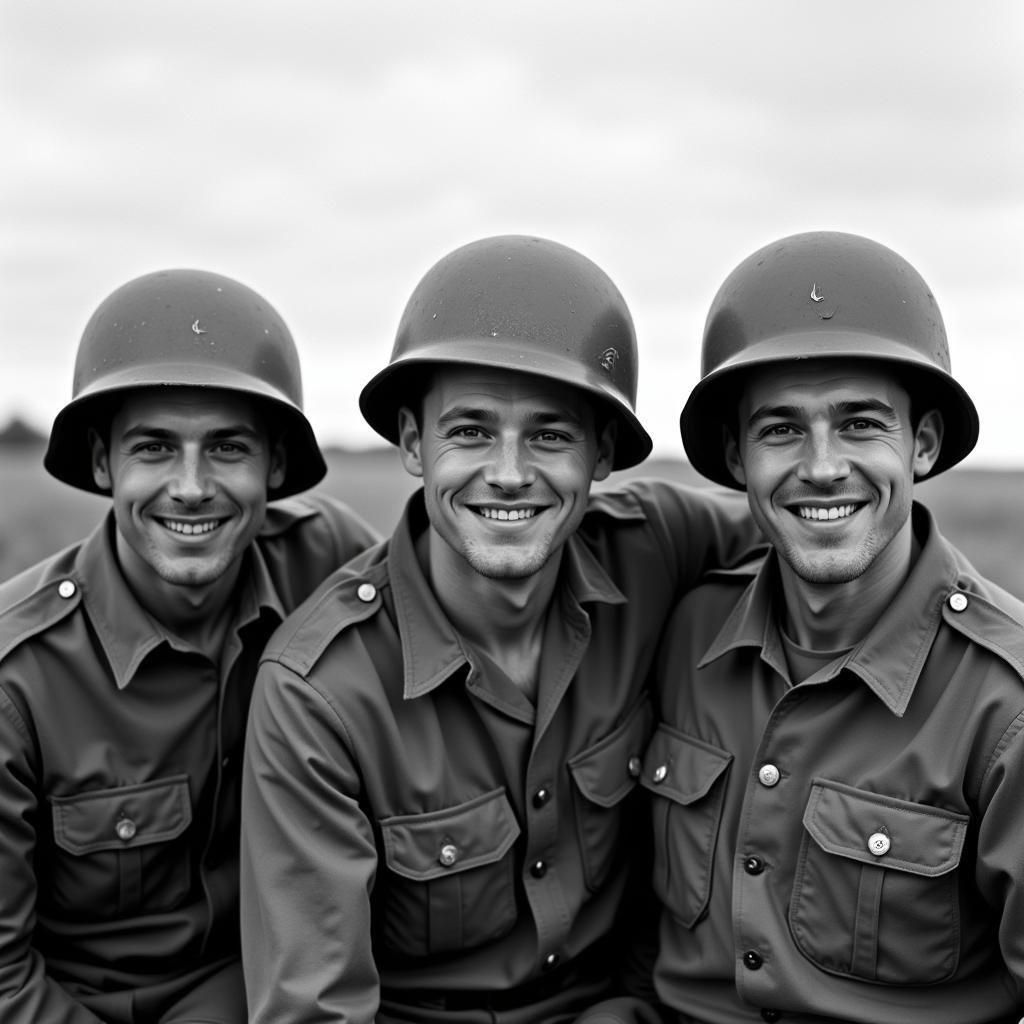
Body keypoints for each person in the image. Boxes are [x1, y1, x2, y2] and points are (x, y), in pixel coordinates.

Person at [239, 234, 763, 1024]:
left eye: (551, 435)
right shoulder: (320, 690)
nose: (510, 472)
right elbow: (316, 1008)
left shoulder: (654, 546)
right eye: (470, 431)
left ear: (603, 455)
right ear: (414, 445)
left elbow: (820, 533)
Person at [644, 230, 1024, 1023]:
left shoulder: (1005, 704)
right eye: (781, 429)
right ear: (737, 456)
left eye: (860, 424)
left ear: (921, 445)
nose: (821, 466)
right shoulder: (686, 636)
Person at [0, 269, 378, 1024]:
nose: (192, 486)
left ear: (275, 467)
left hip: (274, 987)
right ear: (104, 465)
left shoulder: (329, 561)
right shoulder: (19, 675)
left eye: (228, 448)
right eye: (154, 448)